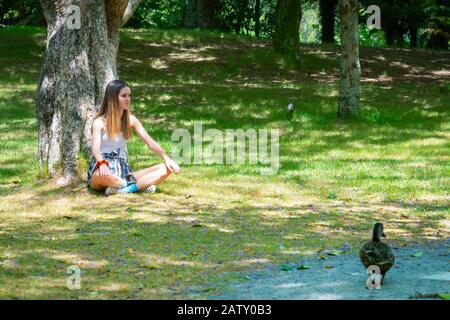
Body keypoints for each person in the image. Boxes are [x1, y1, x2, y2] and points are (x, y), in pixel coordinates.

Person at [87, 79, 180, 195]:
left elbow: (150, 142)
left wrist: (167, 159)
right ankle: (138, 185)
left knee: (166, 168)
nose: (128, 99)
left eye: (129, 95)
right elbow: (95, 148)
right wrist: (102, 164)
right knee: (102, 176)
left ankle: (124, 189)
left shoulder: (131, 120)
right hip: (103, 169)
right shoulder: (99, 122)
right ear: (113, 98)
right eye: (124, 96)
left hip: (123, 171)